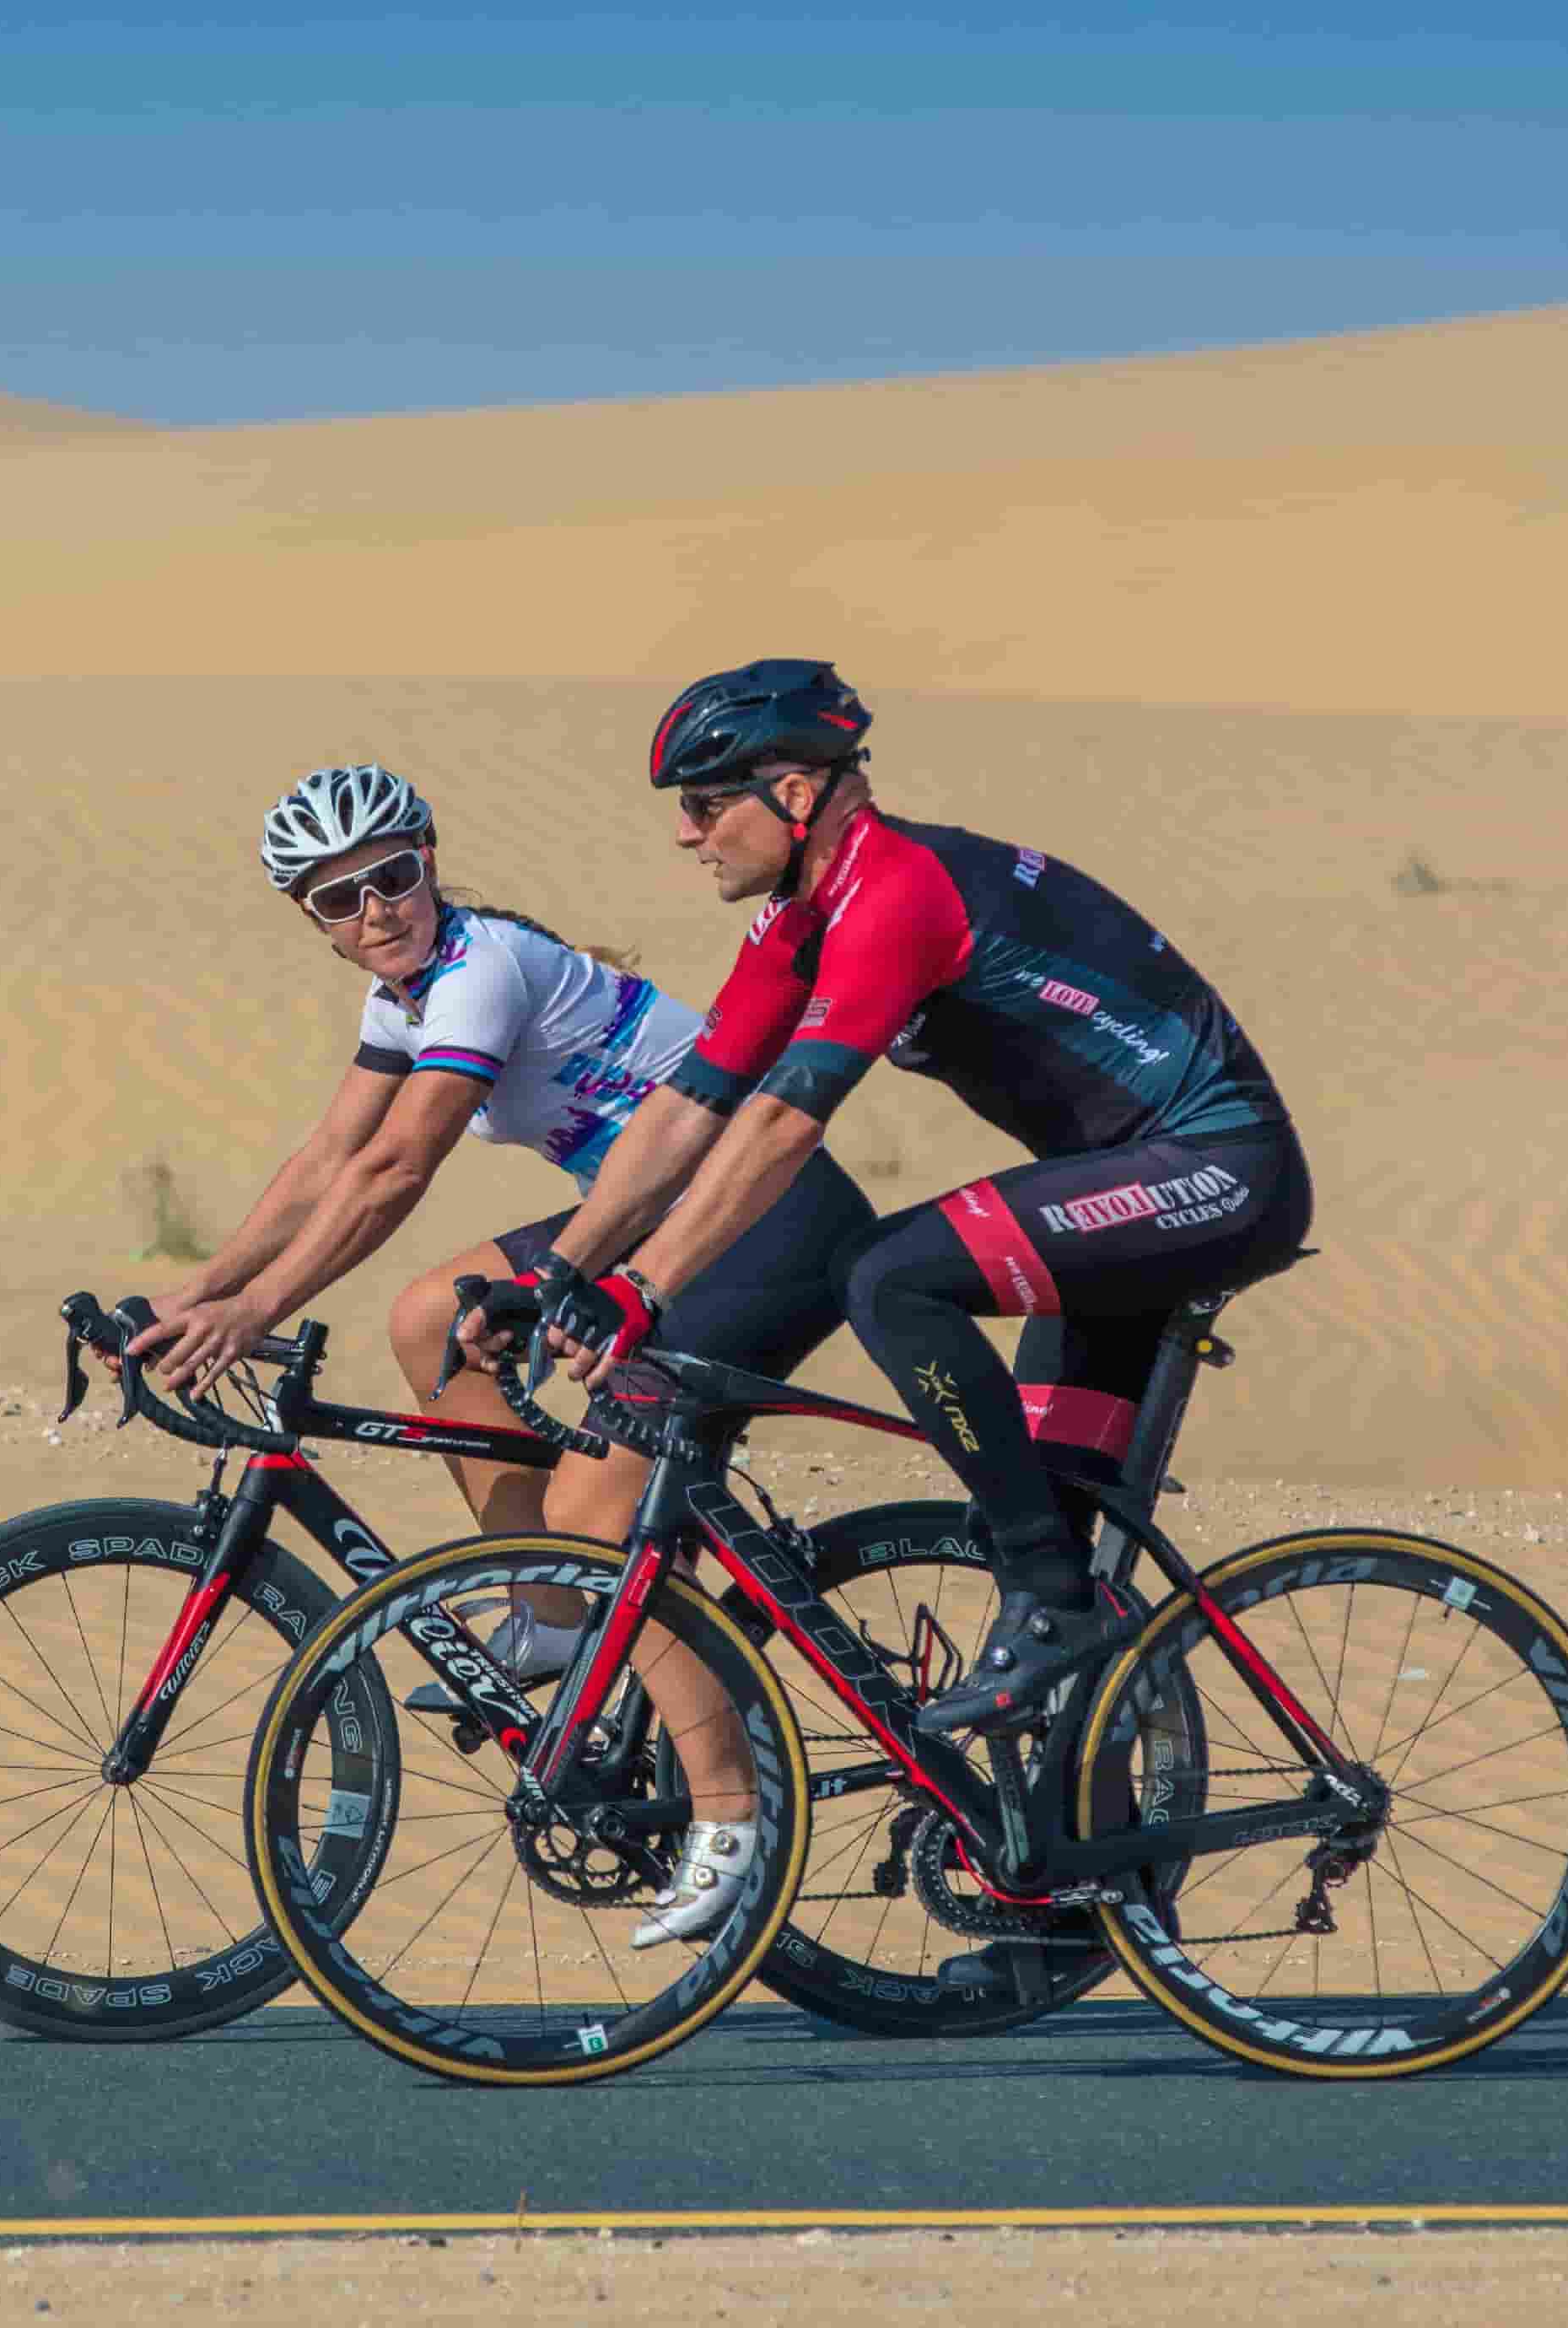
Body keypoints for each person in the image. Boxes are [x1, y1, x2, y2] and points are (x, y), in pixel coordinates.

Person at [469, 659, 1311, 1773]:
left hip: (1214, 1168)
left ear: (797, 793)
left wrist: (646, 1285)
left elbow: (778, 1126)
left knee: (888, 1275)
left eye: (706, 800)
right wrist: (565, 1272)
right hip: (1124, 1184)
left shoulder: (895, 894)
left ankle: (1056, 1607)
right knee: (1051, 1537)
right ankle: (1053, 1899)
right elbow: (688, 1109)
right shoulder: (802, 917)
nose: (687, 833)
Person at [123, 760, 878, 1943]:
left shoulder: (483, 968)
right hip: (641, 1221)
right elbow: (329, 1155)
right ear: (311, 922)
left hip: (761, 1227)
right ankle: (553, 1606)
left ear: (429, 858)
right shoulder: (405, 992)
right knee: (430, 1314)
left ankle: (730, 1815)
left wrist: (258, 1307)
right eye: (338, 898)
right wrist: (204, 1290)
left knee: (600, 1520)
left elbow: (395, 1168)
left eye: (391, 876)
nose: (374, 909)